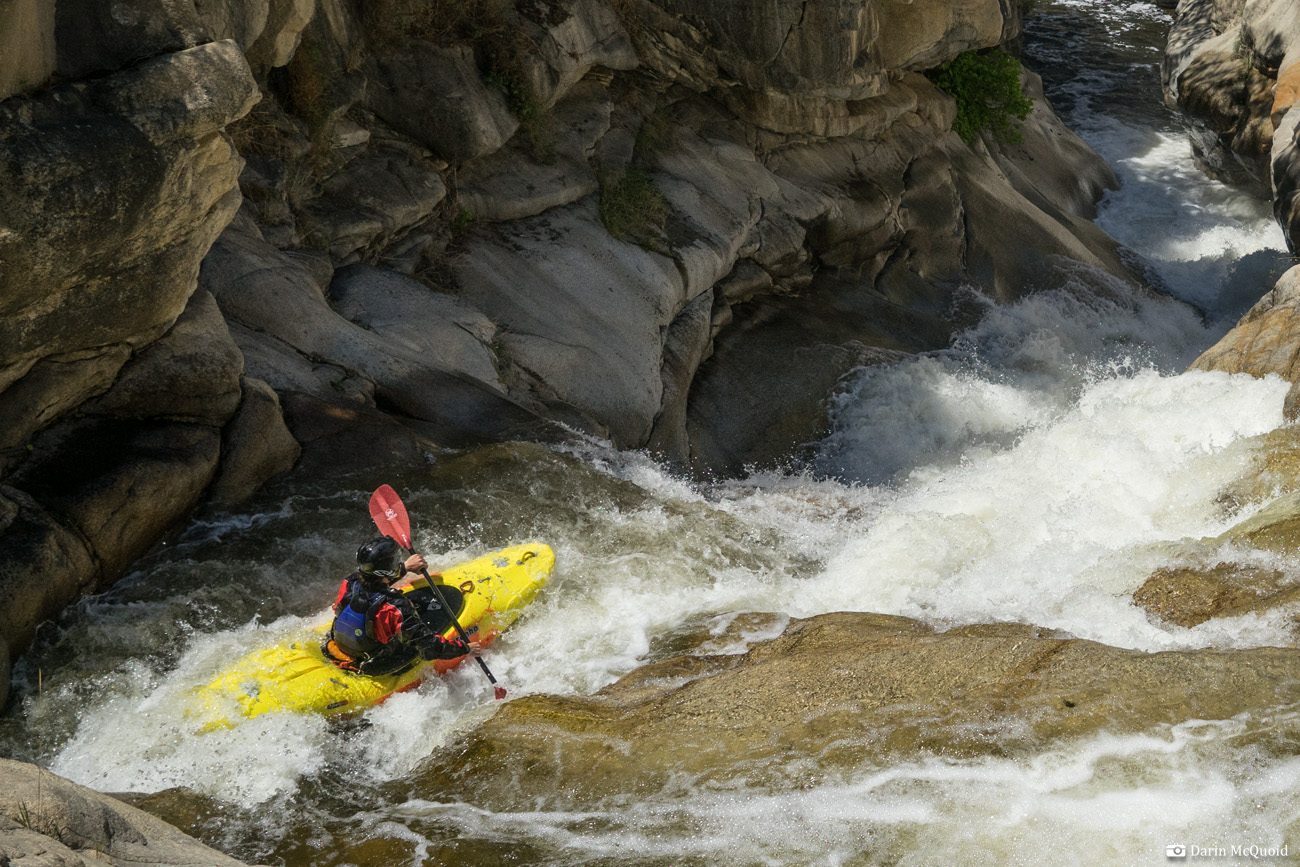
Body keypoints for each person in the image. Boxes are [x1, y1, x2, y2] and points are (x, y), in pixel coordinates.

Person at [322, 535, 478, 675]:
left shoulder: (350, 582)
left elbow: (373, 585)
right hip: (376, 662)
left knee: (407, 611)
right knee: (424, 616)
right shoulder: (396, 606)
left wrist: (405, 568)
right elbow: (429, 648)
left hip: (338, 646)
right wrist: (466, 648)